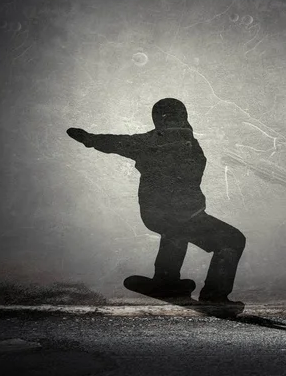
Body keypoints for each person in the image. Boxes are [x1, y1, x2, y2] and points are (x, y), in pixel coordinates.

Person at [67, 98, 245, 305]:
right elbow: (116, 142)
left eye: (176, 117)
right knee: (230, 240)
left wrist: (90, 139)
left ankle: (166, 280)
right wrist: (90, 139)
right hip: (177, 213)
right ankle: (209, 294)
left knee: (177, 232)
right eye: (169, 118)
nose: (174, 123)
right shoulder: (159, 141)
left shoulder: (160, 141)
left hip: (170, 213)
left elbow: (118, 142)